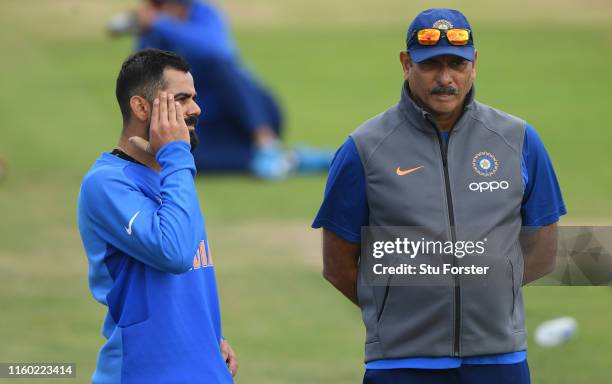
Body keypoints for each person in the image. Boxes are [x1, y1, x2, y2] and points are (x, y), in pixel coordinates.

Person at [312, 8, 566, 384]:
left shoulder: (519, 140)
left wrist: (485, 289)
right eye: (431, 64)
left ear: (474, 64)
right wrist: (394, 309)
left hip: (499, 359)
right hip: (400, 362)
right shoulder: (364, 148)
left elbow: (543, 249)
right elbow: (338, 264)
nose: (445, 78)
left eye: (456, 64)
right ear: (405, 64)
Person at [77, 49, 237, 383]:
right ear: (141, 107)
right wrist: (175, 155)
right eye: (181, 99)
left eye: (194, 97)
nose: (196, 109)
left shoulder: (169, 175)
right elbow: (174, 252)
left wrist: (207, 343)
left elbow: (188, 278)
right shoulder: (107, 183)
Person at [125, 0, 333, 179]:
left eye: (159, 6)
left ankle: (266, 144)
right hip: (206, 125)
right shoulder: (155, 34)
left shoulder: (203, 14)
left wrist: (161, 24)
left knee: (222, 68)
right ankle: (291, 160)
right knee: (178, 157)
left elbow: (217, 49)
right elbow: (145, 75)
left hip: (254, 113)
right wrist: (150, 31)